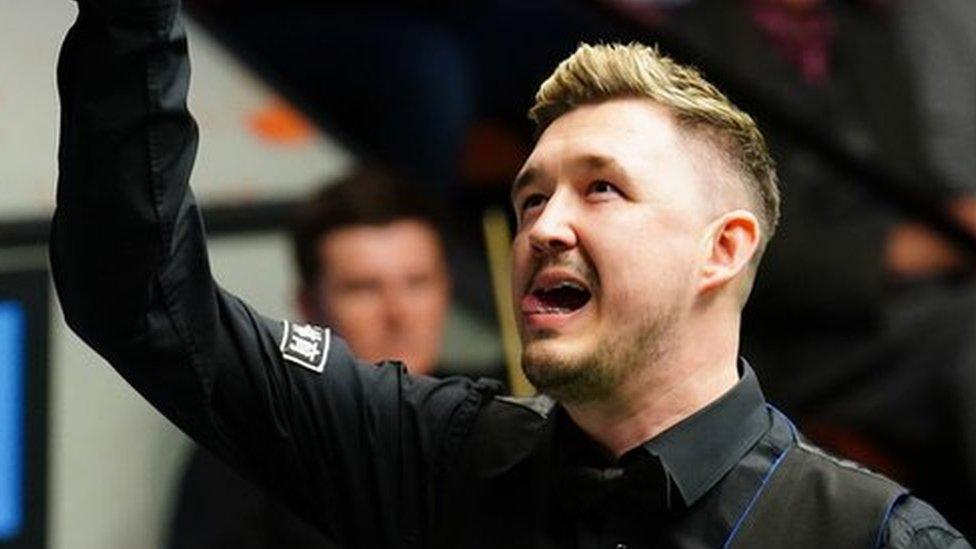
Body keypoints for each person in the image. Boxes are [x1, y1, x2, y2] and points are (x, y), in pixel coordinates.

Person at [51, 1, 968, 547]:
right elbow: (142, 297)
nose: (544, 225)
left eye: (600, 189)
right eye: (529, 199)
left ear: (722, 248)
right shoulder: (439, 456)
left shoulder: (864, 534)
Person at [168, 169, 477, 548]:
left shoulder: (492, 421)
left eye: (417, 283)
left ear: (446, 289)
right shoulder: (248, 445)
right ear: (308, 306)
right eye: (363, 289)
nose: (398, 313)